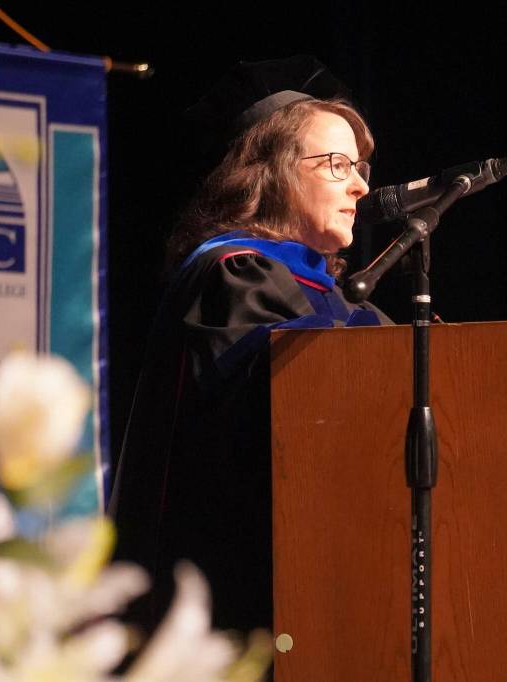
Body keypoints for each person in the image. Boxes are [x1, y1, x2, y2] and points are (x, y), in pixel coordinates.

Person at [107, 56, 391, 633]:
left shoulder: (336, 297)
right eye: (337, 164)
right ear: (273, 171)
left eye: (358, 165)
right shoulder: (233, 275)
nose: (361, 184)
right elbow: (295, 410)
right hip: (238, 609)